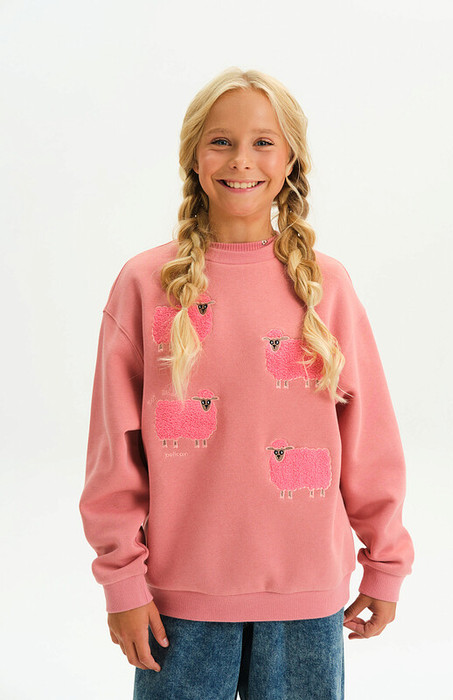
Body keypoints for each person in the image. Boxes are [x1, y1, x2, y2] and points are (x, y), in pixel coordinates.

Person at [79, 67, 415, 700]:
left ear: (291, 160)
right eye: (221, 141)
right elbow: (113, 451)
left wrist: (386, 561)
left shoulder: (327, 288)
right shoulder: (145, 285)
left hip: (305, 596)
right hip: (178, 599)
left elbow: (370, 440)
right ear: (193, 156)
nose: (241, 160)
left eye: (263, 142)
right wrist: (121, 579)